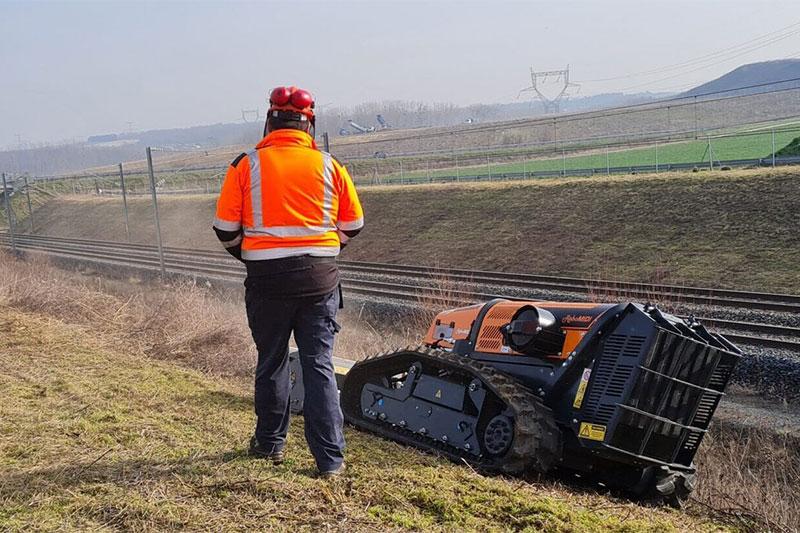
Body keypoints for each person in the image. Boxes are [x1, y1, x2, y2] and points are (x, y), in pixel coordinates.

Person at [212, 86, 363, 478]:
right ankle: (330, 461)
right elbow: (353, 223)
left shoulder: (246, 165)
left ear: (269, 121)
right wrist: (319, 254)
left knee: (272, 360)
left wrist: (256, 256)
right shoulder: (331, 165)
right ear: (309, 123)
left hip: (267, 283)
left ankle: (270, 444)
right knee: (319, 365)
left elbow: (225, 229)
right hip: (320, 281)